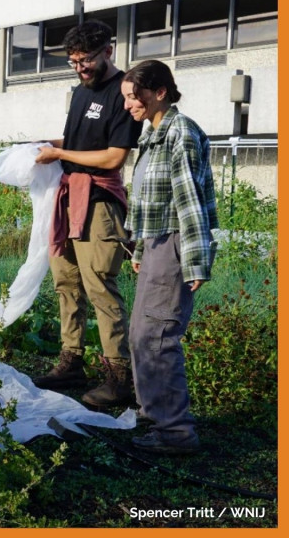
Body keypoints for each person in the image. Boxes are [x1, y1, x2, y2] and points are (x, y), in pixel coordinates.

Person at [33, 20, 142, 407]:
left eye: (86, 60)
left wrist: (60, 154)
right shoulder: (80, 92)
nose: (80, 68)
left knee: (99, 286)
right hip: (68, 199)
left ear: (108, 51)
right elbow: (79, 142)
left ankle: (118, 377)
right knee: (66, 280)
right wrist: (48, 145)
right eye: (73, 62)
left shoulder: (124, 93)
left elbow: (114, 155)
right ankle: (72, 359)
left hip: (99, 202)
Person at [121, 60, 216, 455]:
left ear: (159, 92)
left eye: (133, 96)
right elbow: (150, 202)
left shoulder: (181, 133)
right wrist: (141, 247)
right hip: (157, 242)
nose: (128, 105)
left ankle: (175, 433)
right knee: (141, 335)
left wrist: (195, 260)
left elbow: (189, 201)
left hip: (175, 244)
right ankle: (153, 417)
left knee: (159, 338)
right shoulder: (153, 134)